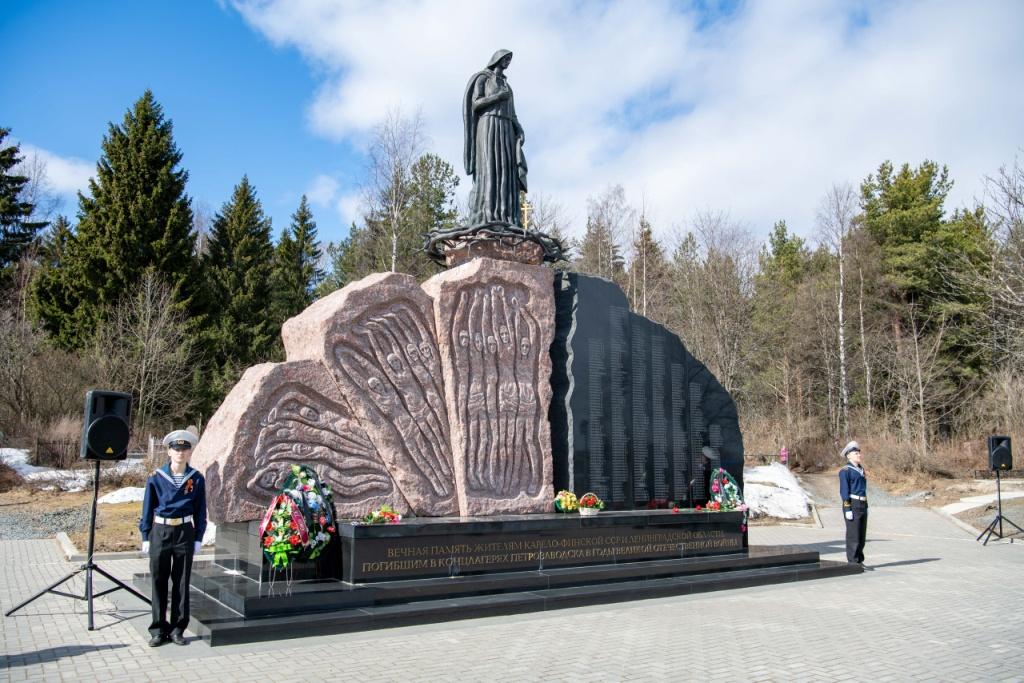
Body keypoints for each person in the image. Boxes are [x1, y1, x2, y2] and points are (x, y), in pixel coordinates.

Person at [139, 429, 207, 646]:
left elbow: (200, 510)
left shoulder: (196, 479)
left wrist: (198, 537)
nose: (180, 453)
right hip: (161, 531)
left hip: (184, 532)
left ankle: (178, 628)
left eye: (185, 449)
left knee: (181, 582)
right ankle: (158, 630)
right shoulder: (156, 477)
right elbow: (147, 508)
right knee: (159, 581)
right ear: (168, 451)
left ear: (190, 452)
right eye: (176, 449)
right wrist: (146, 536)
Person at [464, 48, 527, 228]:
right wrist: (498, 97)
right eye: (505, 58)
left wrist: (519, 128)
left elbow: (513, 113)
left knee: (506, 170)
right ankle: (488, 216)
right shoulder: (483, 78)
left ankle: (507, 217)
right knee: (490, 167)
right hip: (489, 126)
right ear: (497, 59)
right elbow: (476, 103)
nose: (508, 62)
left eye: (510, 60)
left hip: (506, 128)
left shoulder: (508, 86)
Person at [839, 440, 868, 565]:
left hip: (862, 504)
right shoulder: (846, 471)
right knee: (853, 535)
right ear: (849, 455)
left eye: (859, 453)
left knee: (861, 535)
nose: (859, 455)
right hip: (853, 504)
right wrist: (847, 508)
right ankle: (852, 561)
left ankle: (859, 560)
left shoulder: (861, 469)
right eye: (856, 453)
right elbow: (844, 491)